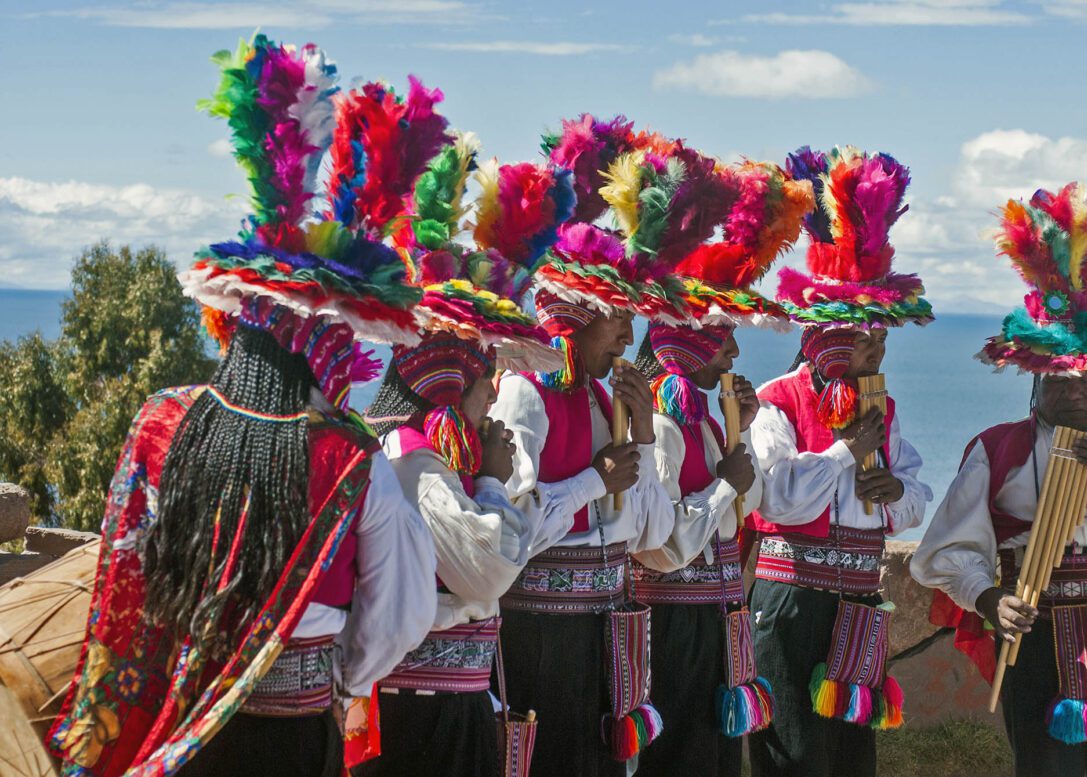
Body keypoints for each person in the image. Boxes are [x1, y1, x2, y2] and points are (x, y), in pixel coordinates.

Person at [47, 37, 439, 777]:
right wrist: (337, 678)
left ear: (242, 321)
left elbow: (123, 585)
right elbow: (398, 621)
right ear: (325, 339)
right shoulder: (353, 462)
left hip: (179, 720)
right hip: (295, 737)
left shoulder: (163, 423)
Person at [489, 117, 728, 777]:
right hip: (540, 640)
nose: (629, 337)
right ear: (580, 317)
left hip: (604, 639)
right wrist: (594, 480)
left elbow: (652, 537)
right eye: (619, 318)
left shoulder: (606, 401)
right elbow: (507, 531)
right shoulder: (525, 396)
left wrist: (646, 437)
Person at [912, 182, 1087, 777]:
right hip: (1039, 644)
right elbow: (940, 553)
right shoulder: (1000, 449)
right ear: (1037, 381)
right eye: (1060, 380)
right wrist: (989, 597)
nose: (1074, 390)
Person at [355, 137, 575, 776]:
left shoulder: (423, 456)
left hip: (446, 707)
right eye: (489, 378)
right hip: (424, 718)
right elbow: (491, 569)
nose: (496, 392)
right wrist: (494, 483)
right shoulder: (415, 462)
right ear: (455, 384)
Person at [746, 146, 934, 777]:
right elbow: (778, 498)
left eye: (880, 338)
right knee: (793, 754)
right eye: (868, 339)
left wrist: (889, 491)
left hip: (858, 603)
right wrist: (845, 453)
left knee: (851, 761)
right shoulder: (777, 399)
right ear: (833, 342)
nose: (879, 351)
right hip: (792, 603)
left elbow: (914, 499)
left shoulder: (884, 406)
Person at [630, 159, 815, 777]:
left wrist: (741, 446)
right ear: (691, 346)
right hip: (672, 627)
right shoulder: (660, 425)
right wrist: (722, 487)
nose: (735, 350)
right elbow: (662, 547)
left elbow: (746, 506)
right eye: (722, 338)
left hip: (713, 622)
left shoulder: (708, 423)